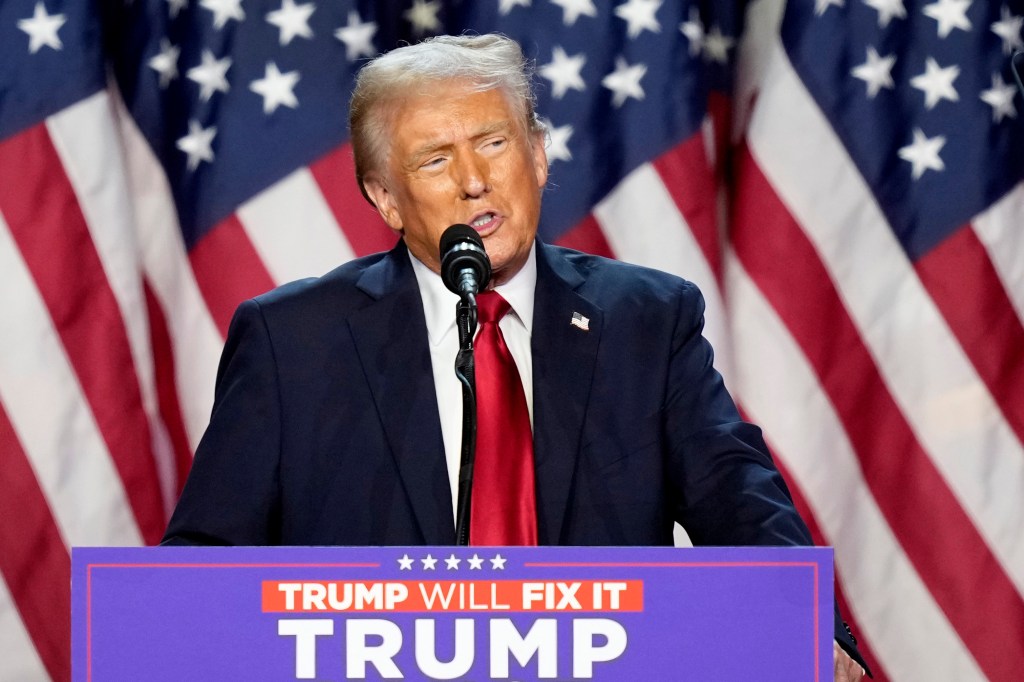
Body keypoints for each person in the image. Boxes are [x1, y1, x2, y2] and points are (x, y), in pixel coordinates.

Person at [163, 34, 868, 679]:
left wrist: (804, 626)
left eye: (493, 143)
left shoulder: (645, 323)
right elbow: (204, 570)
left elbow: (737, 499)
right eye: (434, 160)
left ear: (537, 156)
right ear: (385, 198)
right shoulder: (295, 342)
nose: (474, 181)